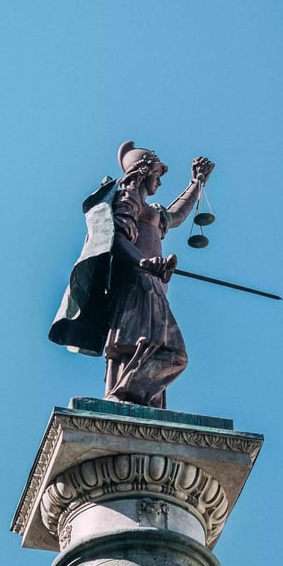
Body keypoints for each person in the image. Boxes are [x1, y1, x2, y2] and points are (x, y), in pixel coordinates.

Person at [103, 142, 214, 408]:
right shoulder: (128, 199)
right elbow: (117, 238)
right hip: (138, 284)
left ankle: (140, 400)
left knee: (151, 349)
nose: (160, 181)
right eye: (157, 174)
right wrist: (144, 261)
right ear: (143, 172)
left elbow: (175, 216)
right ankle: (124, 393)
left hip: (153, 285)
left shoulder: (150, 210)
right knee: (167, 351)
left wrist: (197, 183)